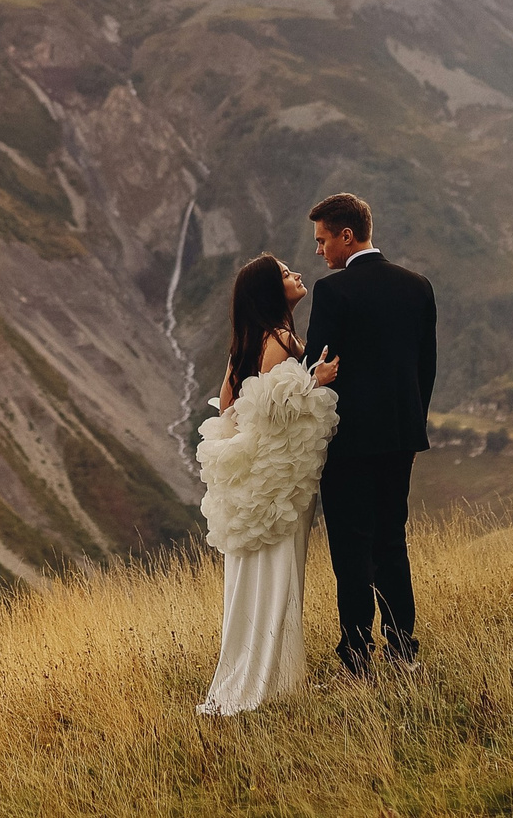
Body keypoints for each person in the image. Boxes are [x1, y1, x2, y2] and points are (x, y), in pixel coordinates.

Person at [194, 252, 340, 716]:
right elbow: (274, 407)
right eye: (284, 274)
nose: (296, 274)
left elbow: (227, 404)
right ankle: (268, 681)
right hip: (280, 482)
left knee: (256, 574)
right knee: (280, 570)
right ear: (270, 291)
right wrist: (313, 380)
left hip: (260, 479)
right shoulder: (279, 339)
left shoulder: (250, 340)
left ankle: (264, 675)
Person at [301, 191, 437, 676]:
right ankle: (403, 653)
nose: (319, 252)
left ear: (346, 235)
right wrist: (409, 422)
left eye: (322, 241)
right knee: (391, 542)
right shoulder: (418, 287)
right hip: (401, 438)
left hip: (348, 442)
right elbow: (427, 369)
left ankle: (356, 657)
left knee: (351, 549)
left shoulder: (333, 292)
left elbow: (314, 367)